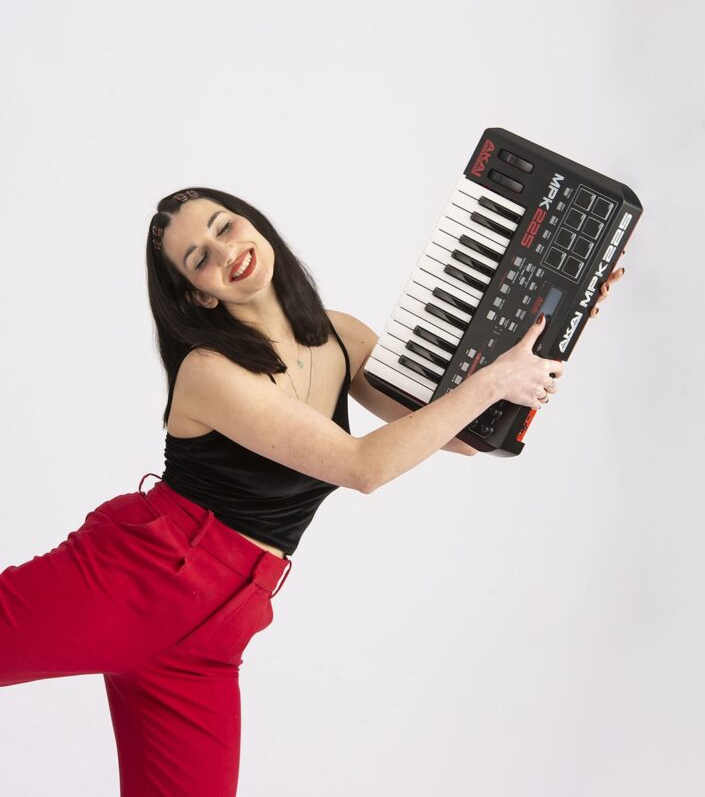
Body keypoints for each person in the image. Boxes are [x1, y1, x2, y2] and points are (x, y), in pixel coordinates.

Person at [0, 187, 625, 795]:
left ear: (252, 221)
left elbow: (457, 434)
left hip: (216, 633)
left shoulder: (340, 337)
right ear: (201, 295)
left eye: (223, 227)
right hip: (136, 576)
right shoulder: (209, 371)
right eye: (200, 260)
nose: (224, 252)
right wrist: (493, 382)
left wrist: (552, 332)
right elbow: (362, 466)